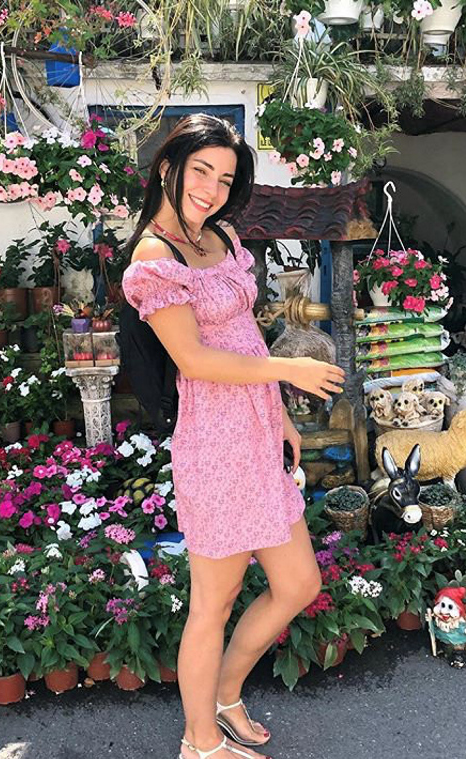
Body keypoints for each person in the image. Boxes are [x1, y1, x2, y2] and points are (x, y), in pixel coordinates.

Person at [121, 114, 345, 759]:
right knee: (212, 605)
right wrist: (288, 369)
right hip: (214, 442)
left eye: (224, 178)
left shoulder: (220, 234)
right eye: (201, 171)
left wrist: (278, 412)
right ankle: (199, 743)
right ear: (169, 169)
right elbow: (194, 359)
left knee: (298, 583)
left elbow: (243, 333)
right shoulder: (154, 259)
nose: (212, 189)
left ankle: (223, 696)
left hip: (254, 428)